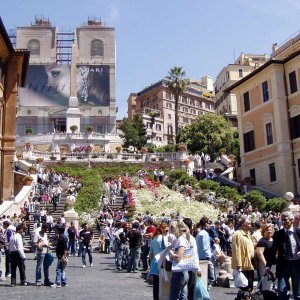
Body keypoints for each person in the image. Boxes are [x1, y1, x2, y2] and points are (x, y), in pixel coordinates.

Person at [265, 211, 300, 300]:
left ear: (291, 220)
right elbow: (273, 251)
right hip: (283, 265)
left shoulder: (298, 232)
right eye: (282, 220)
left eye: (286, 220)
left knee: (298, 292)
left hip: (296, 265)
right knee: (281, 290)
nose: (284, 222)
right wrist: (268, 265)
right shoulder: (278, 234)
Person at [232, 217, 255, 292]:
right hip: (243, 265)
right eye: (248, 224)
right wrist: (239, 264)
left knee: (250, 285)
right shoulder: (237, 234)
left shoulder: (247, 234)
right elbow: (236, 249)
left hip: (249, 264)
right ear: (243, 225)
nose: (250, 225)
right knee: (245, 287)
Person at [149, 223, 168, 300]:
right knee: (163, 285)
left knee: (156, 285)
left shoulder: (154, 239)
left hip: (154, 263)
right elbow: (167, 249)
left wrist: (150, 264)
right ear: (163, 230)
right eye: (166, 230)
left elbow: (151, 254)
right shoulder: (164, 238)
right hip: (162, 263)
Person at [256, 223, 273, 291]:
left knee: (272, 285)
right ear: (263, 231)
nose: (269, 231)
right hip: (265, 265)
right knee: (267, 285)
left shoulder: (273, 240)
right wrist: (266, 266)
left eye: (270, 230)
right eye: (267, 230)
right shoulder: (262, 241)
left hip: (274, 264)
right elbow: (260, 254)